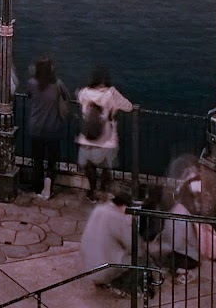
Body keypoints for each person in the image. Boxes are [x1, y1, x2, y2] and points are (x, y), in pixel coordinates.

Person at [76, 68, 136, 196]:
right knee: (106, 166)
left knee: (89, 165)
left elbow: (81, 104)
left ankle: (92, 190)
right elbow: (129, 106)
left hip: (88, 138)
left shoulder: (84, 93)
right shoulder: (111, 93)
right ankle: (102, 188)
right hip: (107, 139)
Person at [23, 56, 72, 198]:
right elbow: (67, 96)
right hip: (53, 127)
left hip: (36, 127)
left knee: (37, 159)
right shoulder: (57, 84)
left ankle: (37, 188)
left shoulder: (32, 83)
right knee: (52, 160)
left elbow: (29, 95)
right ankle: (49, 185)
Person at [79, 189, 137, 289]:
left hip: (88, 264)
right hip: (105, 267)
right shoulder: (117, 216)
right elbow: (130, 242)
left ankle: (100, 281)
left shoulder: (99, 208)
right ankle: (120, 285)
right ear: (124, 205)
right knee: (138, 260)